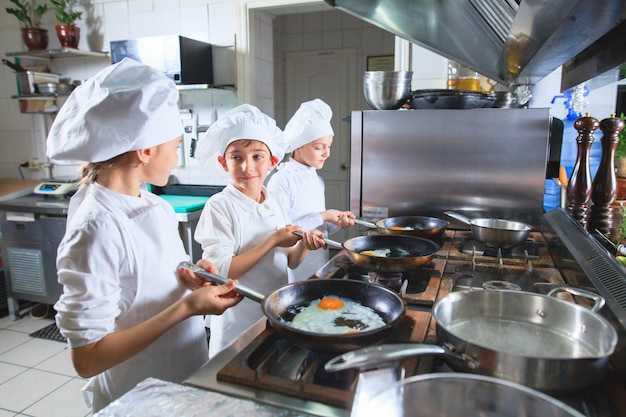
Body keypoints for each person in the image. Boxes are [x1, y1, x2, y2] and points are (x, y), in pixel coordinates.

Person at [47, 58, 244, 413]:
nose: (176, 156)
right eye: (175, 145)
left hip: (183, 381)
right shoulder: (95, 229)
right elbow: (87, 360)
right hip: (137, 398)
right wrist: (187, 308)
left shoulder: (155, 207)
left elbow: (142, 287)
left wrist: (188, 279)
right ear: (146, 151)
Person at [193, 104, 325, 357]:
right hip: (236, 319)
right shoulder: (220, 206)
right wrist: (272, 241)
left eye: (257, 157)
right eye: (236, 157)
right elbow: (220, 272)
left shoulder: (272, 199)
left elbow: (291, 261)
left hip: (273, 310)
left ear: (272, 161)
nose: (247, 167)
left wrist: (304, 245)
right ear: (223, 163)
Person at [267, 98, 356, 282]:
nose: (327, 153)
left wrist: (336, 222)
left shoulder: (316, 178)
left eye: (328, 147)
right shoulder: (282, 180)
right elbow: (284, 233)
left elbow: (318, 228)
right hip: (293, 268)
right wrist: (324, 215)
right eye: (319, 147)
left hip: (318, 264)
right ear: (298, 146)